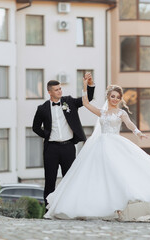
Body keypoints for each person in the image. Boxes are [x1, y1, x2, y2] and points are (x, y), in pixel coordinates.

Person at [44, 75, 150, 221]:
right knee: (100, 177)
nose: (115, 99)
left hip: (115, 145)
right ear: (108, 97)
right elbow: (85, 103)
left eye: (118, 97)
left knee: (118, 175)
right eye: (113, 96)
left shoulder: (120, 112)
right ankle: (102, 207)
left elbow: (129, 123)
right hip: (99, 147)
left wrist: (138, 132)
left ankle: (119, 208)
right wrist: (85, 85)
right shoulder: (102, 112)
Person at [32, 73, 95, 206]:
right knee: (50, 180)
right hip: (51, 149)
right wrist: (47, 136)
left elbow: (86, 99)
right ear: (49, 92)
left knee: (70, 179)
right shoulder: (42, 109)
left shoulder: (69, 101)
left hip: (68, 147)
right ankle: (48, 210)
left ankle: (69, 207)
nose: (60, 91)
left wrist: (89, 85)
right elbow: (35, 127)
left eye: (60, 88)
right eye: (56, 89)